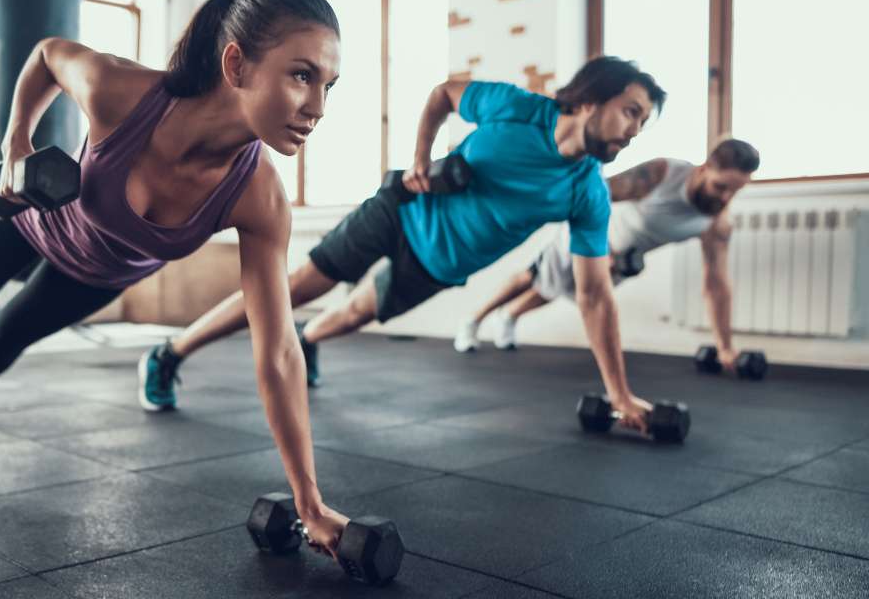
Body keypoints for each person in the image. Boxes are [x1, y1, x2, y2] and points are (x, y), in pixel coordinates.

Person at [0, 0, 353, 556]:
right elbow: (48, 54)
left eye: (328, 86)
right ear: (235, 64)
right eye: (301, 76)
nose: (318, 108)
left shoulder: (259, 197)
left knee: (1, 343)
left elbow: (276, 351)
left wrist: (309, 502)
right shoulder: (121, 92)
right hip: (27, 220)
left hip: (95, 273)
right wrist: (16, 141)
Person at [141, 56, 666, 433]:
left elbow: (595, 294)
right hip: (401, 210)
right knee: (291, 289)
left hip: (436, 263)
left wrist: (619, 393)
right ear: (596, 96)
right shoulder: (519, 108)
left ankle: (310, 340)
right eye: (632, 112)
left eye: (643, 122)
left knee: (347, 318)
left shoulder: (587, 192)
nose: (635, 130)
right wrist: (420, 158)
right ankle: (169, 353)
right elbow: (444, 94)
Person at [455, 138, 760, 373]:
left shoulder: (716, 222)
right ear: (704, 168)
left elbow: (717, 285)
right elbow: (594, 194)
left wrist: (725, 347)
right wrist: (600, 245)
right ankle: (473, 321)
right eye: (721, 186)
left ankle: (509, 316)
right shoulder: (662, 175)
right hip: (589, 236)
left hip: (620, 263)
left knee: (558, 289)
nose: (725, 197)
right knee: (534, 277)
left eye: (735, 191)